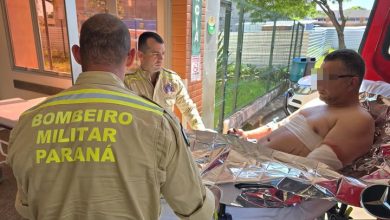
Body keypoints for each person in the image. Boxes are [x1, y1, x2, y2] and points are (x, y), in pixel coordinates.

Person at [7, 13, 217, 220]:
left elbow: (26, 206)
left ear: (77, 55)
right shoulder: (159, 123)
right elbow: (196, 210)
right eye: (155, 53)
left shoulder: (28, 123)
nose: (160, 58)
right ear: (132, 57)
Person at [226, 49, 375, 219]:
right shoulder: (317, 102)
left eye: (328, 78)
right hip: (250, 166)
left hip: (264, 186)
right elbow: (276, 127)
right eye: (319, 76)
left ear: (352, 83)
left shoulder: (357, 119)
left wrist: (249, 168)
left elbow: (314, 170)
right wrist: (246, 135)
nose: (319, 84)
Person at [124, 31, 206, 130]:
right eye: (155, 54)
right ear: (141, 55)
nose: (161, 58)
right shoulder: (127, 82)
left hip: (167, 140)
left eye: (163, 53)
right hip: (141, 141)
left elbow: (188, 109)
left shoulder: (172, 80)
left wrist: (201, 131)